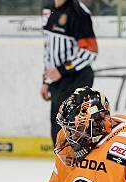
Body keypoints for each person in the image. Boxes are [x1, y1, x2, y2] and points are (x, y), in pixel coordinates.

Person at [40, 0, 98, 145]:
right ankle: (63, 165)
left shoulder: (78, 12)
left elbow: (90, 51)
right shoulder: (49, 9)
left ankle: (78, 165)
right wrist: (46, 81)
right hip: (56, 80)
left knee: (73, 126)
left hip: (77, 78)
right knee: (57, 125)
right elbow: (48, 50)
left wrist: (62, 70)